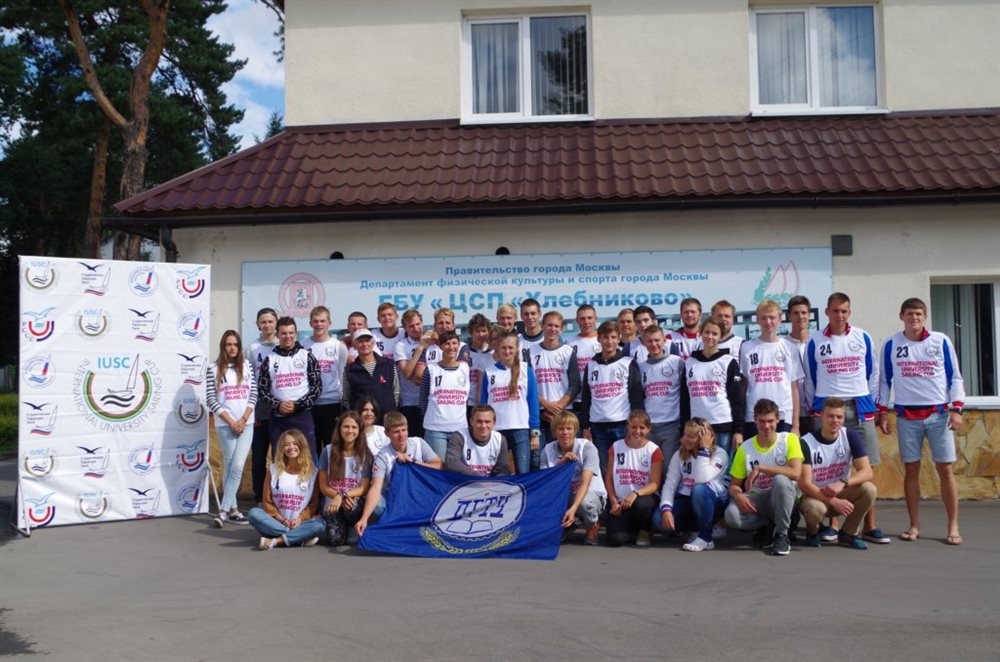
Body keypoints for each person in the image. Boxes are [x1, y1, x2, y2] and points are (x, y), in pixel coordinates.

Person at [877, 297, 966, 545]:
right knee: (911, 470)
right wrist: (882, 411)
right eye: (909, 314)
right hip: (907, 416)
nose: (914, 318)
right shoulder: (891, 344)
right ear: (901, 316)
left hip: (939, 415)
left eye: (918, 314)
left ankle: (953, 526)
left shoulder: (941, 341)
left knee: (945, 469)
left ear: (925, 317)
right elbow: (884, 381)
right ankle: (914, 525)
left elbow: (955, 377)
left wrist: (957, 408)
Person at [803, 292, 888, 545]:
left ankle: (869, 526)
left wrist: (872, 405)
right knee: (829, 466)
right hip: (827, 408)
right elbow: (810, 378)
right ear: (827, 312)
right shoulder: (815, 341)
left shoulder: (863, 337)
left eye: (844, 311)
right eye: (835, 311)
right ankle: (833, 524)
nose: (839, 315)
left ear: (849, 312)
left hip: (859, 408)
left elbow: (873, 373)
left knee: (867, 469)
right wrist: (816, 409)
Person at [725, 399, 803, 556]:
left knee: (781, 480)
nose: (766, 426)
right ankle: (768, 523)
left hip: (783, 496)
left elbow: (796, 473)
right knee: (731, 515)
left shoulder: (789, 439)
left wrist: (761, 468)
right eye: (761, 421)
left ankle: (782, 535)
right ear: (755, 420)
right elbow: (734, 485)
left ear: (778, 419)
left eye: (770, 421)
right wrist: (738, 496)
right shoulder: (745, 448)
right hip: (758, 498)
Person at [799, 398, 877, 550]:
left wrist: (843, 483)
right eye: (830, 416)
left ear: (844, 418)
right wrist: (834, 502)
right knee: (814, 509)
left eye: (839, 417)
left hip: (840, 491)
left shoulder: (850, 436)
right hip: (816, 496)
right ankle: (812, 532)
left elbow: (867, 471)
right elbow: (805, 484)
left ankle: (849, 533)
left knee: (869, 489)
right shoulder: (806, 442)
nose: (835, 420)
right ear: (821, 415)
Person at [355, 412, 443, 538]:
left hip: (418, 494)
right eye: (396, 432)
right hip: (394, 498)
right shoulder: (382, 456)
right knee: (378, 505)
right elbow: (376, 487)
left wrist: (414, 462)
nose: (401, 435)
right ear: (387, 433)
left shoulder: (419, 443)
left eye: (404, 430)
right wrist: (364, 518)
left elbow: (439, 466)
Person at [580, 320, 645, 477]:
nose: (609, 341)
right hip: (598, 427)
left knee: (624, 467)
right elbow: (587, 397)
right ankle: (607, 494)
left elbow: (636, 397)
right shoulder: (591, 365)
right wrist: (585, 426)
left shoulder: (628, 363)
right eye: (605, 337)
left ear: (619, 338)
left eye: (613, 337)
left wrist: (635, 425)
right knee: (603, 469)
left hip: (622, 424)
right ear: (599, 339)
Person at [207, 330, 257, 527]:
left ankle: (223, 511)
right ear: (223, 346)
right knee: (229, 465)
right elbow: (211, 400)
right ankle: (234, 510)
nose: (232, 348)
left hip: (247, 424)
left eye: (235, 344)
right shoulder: (213, 369)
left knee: (237, 466)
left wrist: (243, 419)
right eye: (229, 344)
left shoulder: (247, 366)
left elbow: (253, 394)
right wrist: (230, 421)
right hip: (224, 425)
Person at [658, 419, 729, 551]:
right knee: (658, 520)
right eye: (685, 434)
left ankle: (705, 538)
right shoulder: (679, 454)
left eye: (691, 436)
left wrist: (704, 449)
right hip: (687, 498)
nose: (685, 439)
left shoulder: (720, 454)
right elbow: (670, 485)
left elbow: (701, 478)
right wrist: (666, 510)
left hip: (713, 499)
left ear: (704, 438)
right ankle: (694, 528)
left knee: (698, 489)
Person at [248, 429, 324, 550]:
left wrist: (300, 519)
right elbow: (267, 501)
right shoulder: (273, 470)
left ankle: (276, 540)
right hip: (277, 522)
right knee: (253, 513)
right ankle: (299, 537)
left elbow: (313, 504)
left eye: (295, 443)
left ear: (302, 446)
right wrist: (282, 520)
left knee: (320, 524)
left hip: (300, 522)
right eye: (286, 445)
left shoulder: (313, 472)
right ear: (282, 449)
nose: (291, 447)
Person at [257, 316, 321, 458]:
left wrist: (297, 405)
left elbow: (316, 388)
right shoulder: (269, 360)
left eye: (291, 333)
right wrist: (278, 404)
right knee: (280, 459)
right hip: (278, 418)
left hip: (302, 415)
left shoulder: (307, 356)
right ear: (277, 334)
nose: (288, 336)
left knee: (308, 457)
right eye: (284, 333)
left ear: (296, 333)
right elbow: (262, 391)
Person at [540, 411, 606, 545]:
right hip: (563, 495)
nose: (565, 432)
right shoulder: (547, 450)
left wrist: (573, 508)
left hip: (589, 494)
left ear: (575, 430)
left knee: (584, 503)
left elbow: (585, 483)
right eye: (561, 429)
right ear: (554, 432)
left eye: (569, 428)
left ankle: (592, 524)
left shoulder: (587, 447)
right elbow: (546, 481)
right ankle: (569, 524)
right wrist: (562, 462)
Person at [679, 318, 745, 453]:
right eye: (707, 332)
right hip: (696, 428)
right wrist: (683, 431)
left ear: (721, 336)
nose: (710, 336)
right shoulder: (690, 362)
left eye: (715, 334)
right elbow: (684, 400)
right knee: (700, 465)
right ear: (700, 333)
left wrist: (738, 431)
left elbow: (737, 399)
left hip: (722, 426)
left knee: (721, 465)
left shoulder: (728, 362)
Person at [739, 299, 803, 438]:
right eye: (764, 318)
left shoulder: (790, 348)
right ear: (757, 320)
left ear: (780, 319)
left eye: (772, 317)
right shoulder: (746, 348)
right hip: (754, 416)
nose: (768, 322)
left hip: (783, 415)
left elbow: (794, 387)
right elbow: (743, 386)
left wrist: (796, 425)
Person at [480, 331, 541, 473]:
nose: (507, 351)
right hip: (496, 430)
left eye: (510, 348)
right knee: (499, 473)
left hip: (521, 429)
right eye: (503, 348)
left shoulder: (526, 370)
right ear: (498, 348)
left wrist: (535, 432)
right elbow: (484, 404)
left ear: (517, 348)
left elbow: (533, 402)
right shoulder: (489, 372)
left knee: (523, 471)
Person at [603, 410, 663, 547]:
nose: (637, 431)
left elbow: (654, 484)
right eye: (634, 427)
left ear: (649, 429)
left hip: (642, 498)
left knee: (641, 506)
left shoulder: (654, 450)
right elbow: (609, 478)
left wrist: (635, 493)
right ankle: (631, 529)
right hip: (620, 502)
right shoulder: (616, 447)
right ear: (628, 427)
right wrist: (614, 502)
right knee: (616, 540)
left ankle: (645, 529)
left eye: (642, 427)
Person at [317, 411, 372, 545]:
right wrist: (337, 497)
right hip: (332, 501)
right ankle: (341, 528)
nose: (350, 431)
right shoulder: (327, 451)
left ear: (359, 430)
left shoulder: (365, 453)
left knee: (352, 508)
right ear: (339, 429)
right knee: (335, 540)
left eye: (354, 427)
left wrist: (342, 495)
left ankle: (352, 526)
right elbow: (323, 487)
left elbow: (364, 488)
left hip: (352, 500)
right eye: (346, 427)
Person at [529, 310, 581, 444]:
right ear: (542, 326)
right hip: (539, 412)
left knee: (562, 451)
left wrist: (557, 408)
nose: (553, 329)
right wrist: (545, 404)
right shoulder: (530, 352)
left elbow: (575, 385)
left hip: (563, 413)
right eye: (549, 325)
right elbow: (527, 384)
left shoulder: (568, 352)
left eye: (556, 326)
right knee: (537, 454)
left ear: (562, 329)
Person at [302, 305, 348, 453]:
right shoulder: (302, 345)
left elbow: (342, 375)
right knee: (311, 448)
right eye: (315, 321)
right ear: (310, 323)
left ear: (329, 323)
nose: (319, 324)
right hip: (309, 404)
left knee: (332, 447)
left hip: (332, 403)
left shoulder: (338, 346)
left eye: (322, 321)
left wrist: (343, 401)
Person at [420, 330, 472, 458]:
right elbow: (423, 399)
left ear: (459, 345)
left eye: (454, 343)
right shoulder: (431, 369)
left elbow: (465, 399)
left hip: (460, 428)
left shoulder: (465, 368)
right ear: (441, 346)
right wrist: (432, 419)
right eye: (447, 343)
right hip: (436, 430)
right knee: (439, 466)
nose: (451, 347)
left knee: (458, 466)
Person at [637, 324, 684, 462]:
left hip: (671, 425)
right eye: (649, 341)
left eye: (657, 340)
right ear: (644, 342)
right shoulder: (641, 367)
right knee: (651, 466)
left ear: (664, 340)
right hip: (649, 426)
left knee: (669, 466)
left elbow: (685, 394)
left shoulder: (677, 362)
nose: (654, 344)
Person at [246, 307, 278, 506]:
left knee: (279, 458)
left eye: (270, 321)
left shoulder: (283, 344)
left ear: (276, 323)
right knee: (258, 459)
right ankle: (259, 498)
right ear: (258, 325)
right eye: (263, 322)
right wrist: (251, 411)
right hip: (258, 411)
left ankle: (278, 497)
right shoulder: (252, 349)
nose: (267, 325)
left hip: (279, 411)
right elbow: (247, 380)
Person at [342, 328, 399, 419]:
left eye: (367, 341)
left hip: (387, 418)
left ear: (372, 344)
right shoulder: (349, 370)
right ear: (354, 345)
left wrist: (390, 408)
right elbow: (346, 398)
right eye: (360, 341)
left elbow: (396, 391)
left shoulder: (389, 364)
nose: (364, 344)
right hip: (362, 420)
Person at [444, 405, 512, 477]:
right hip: (464, 481)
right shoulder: (459, 436)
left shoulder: (500, 439)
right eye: (479, 421)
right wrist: (477, 477)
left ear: (494, 423)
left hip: (489, 482)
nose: (483, 426)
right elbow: (451, 462)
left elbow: (502, 468)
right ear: (471, 421)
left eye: (487, 422)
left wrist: (496, 480)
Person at [394, 309, 428, 436]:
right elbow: (407, 374)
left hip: (430, 400)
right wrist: (420, 349)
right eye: (411, 326)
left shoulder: (432, 341)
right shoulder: (401, 346)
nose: (416, 328)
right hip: (410, 402)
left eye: (418, 324)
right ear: (405, 328)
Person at [786, 295, 814, 436]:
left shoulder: (817, 343)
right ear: (789, 316)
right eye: (796, 313)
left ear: (809, 315)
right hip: (791, 414)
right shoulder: (782, 345)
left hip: (816, 412)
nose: (800, 316)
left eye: (804, 312)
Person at [568, 304, 602, 416]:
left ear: (596, 318)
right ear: (577, 321)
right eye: (582, 318)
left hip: (600, 398)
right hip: (577, 400)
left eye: (589, 318)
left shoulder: (604, 340)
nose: (586, 322)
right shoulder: (569, 342)